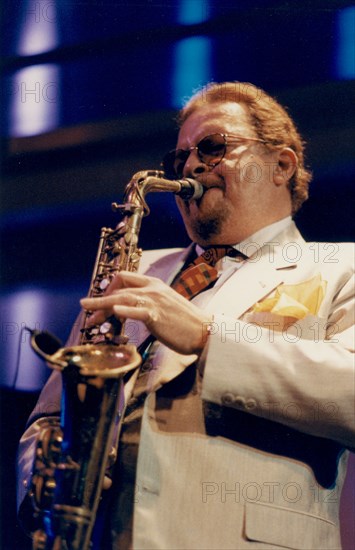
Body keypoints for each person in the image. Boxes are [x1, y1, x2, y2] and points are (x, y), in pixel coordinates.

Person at [18, 82, 354, 549]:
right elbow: (50, 417)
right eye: (181, 158)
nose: (192, 166)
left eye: (213, 148)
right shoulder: (132, 268)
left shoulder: (341, 266)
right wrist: (44, 473)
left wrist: (206, 336)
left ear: (281, 165)